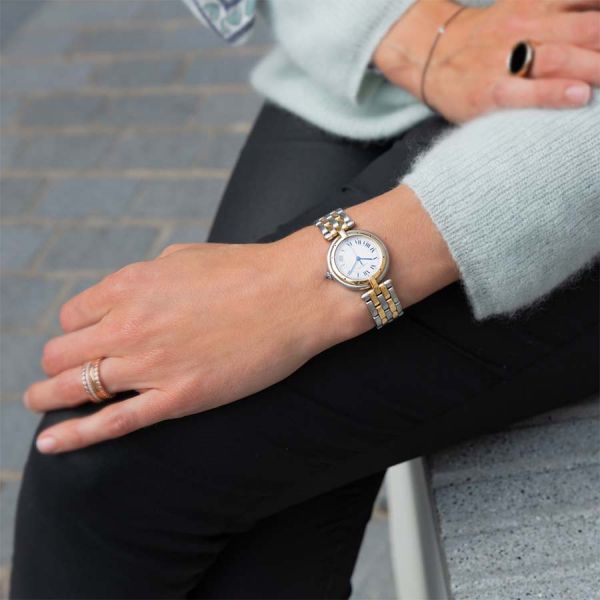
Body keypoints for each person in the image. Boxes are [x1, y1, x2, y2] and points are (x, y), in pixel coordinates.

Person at [11, 0, 599, 598]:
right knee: (224, 512)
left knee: (109, 466)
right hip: (362, 57)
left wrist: (304, 281)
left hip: (572, 124)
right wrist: (406, 33)